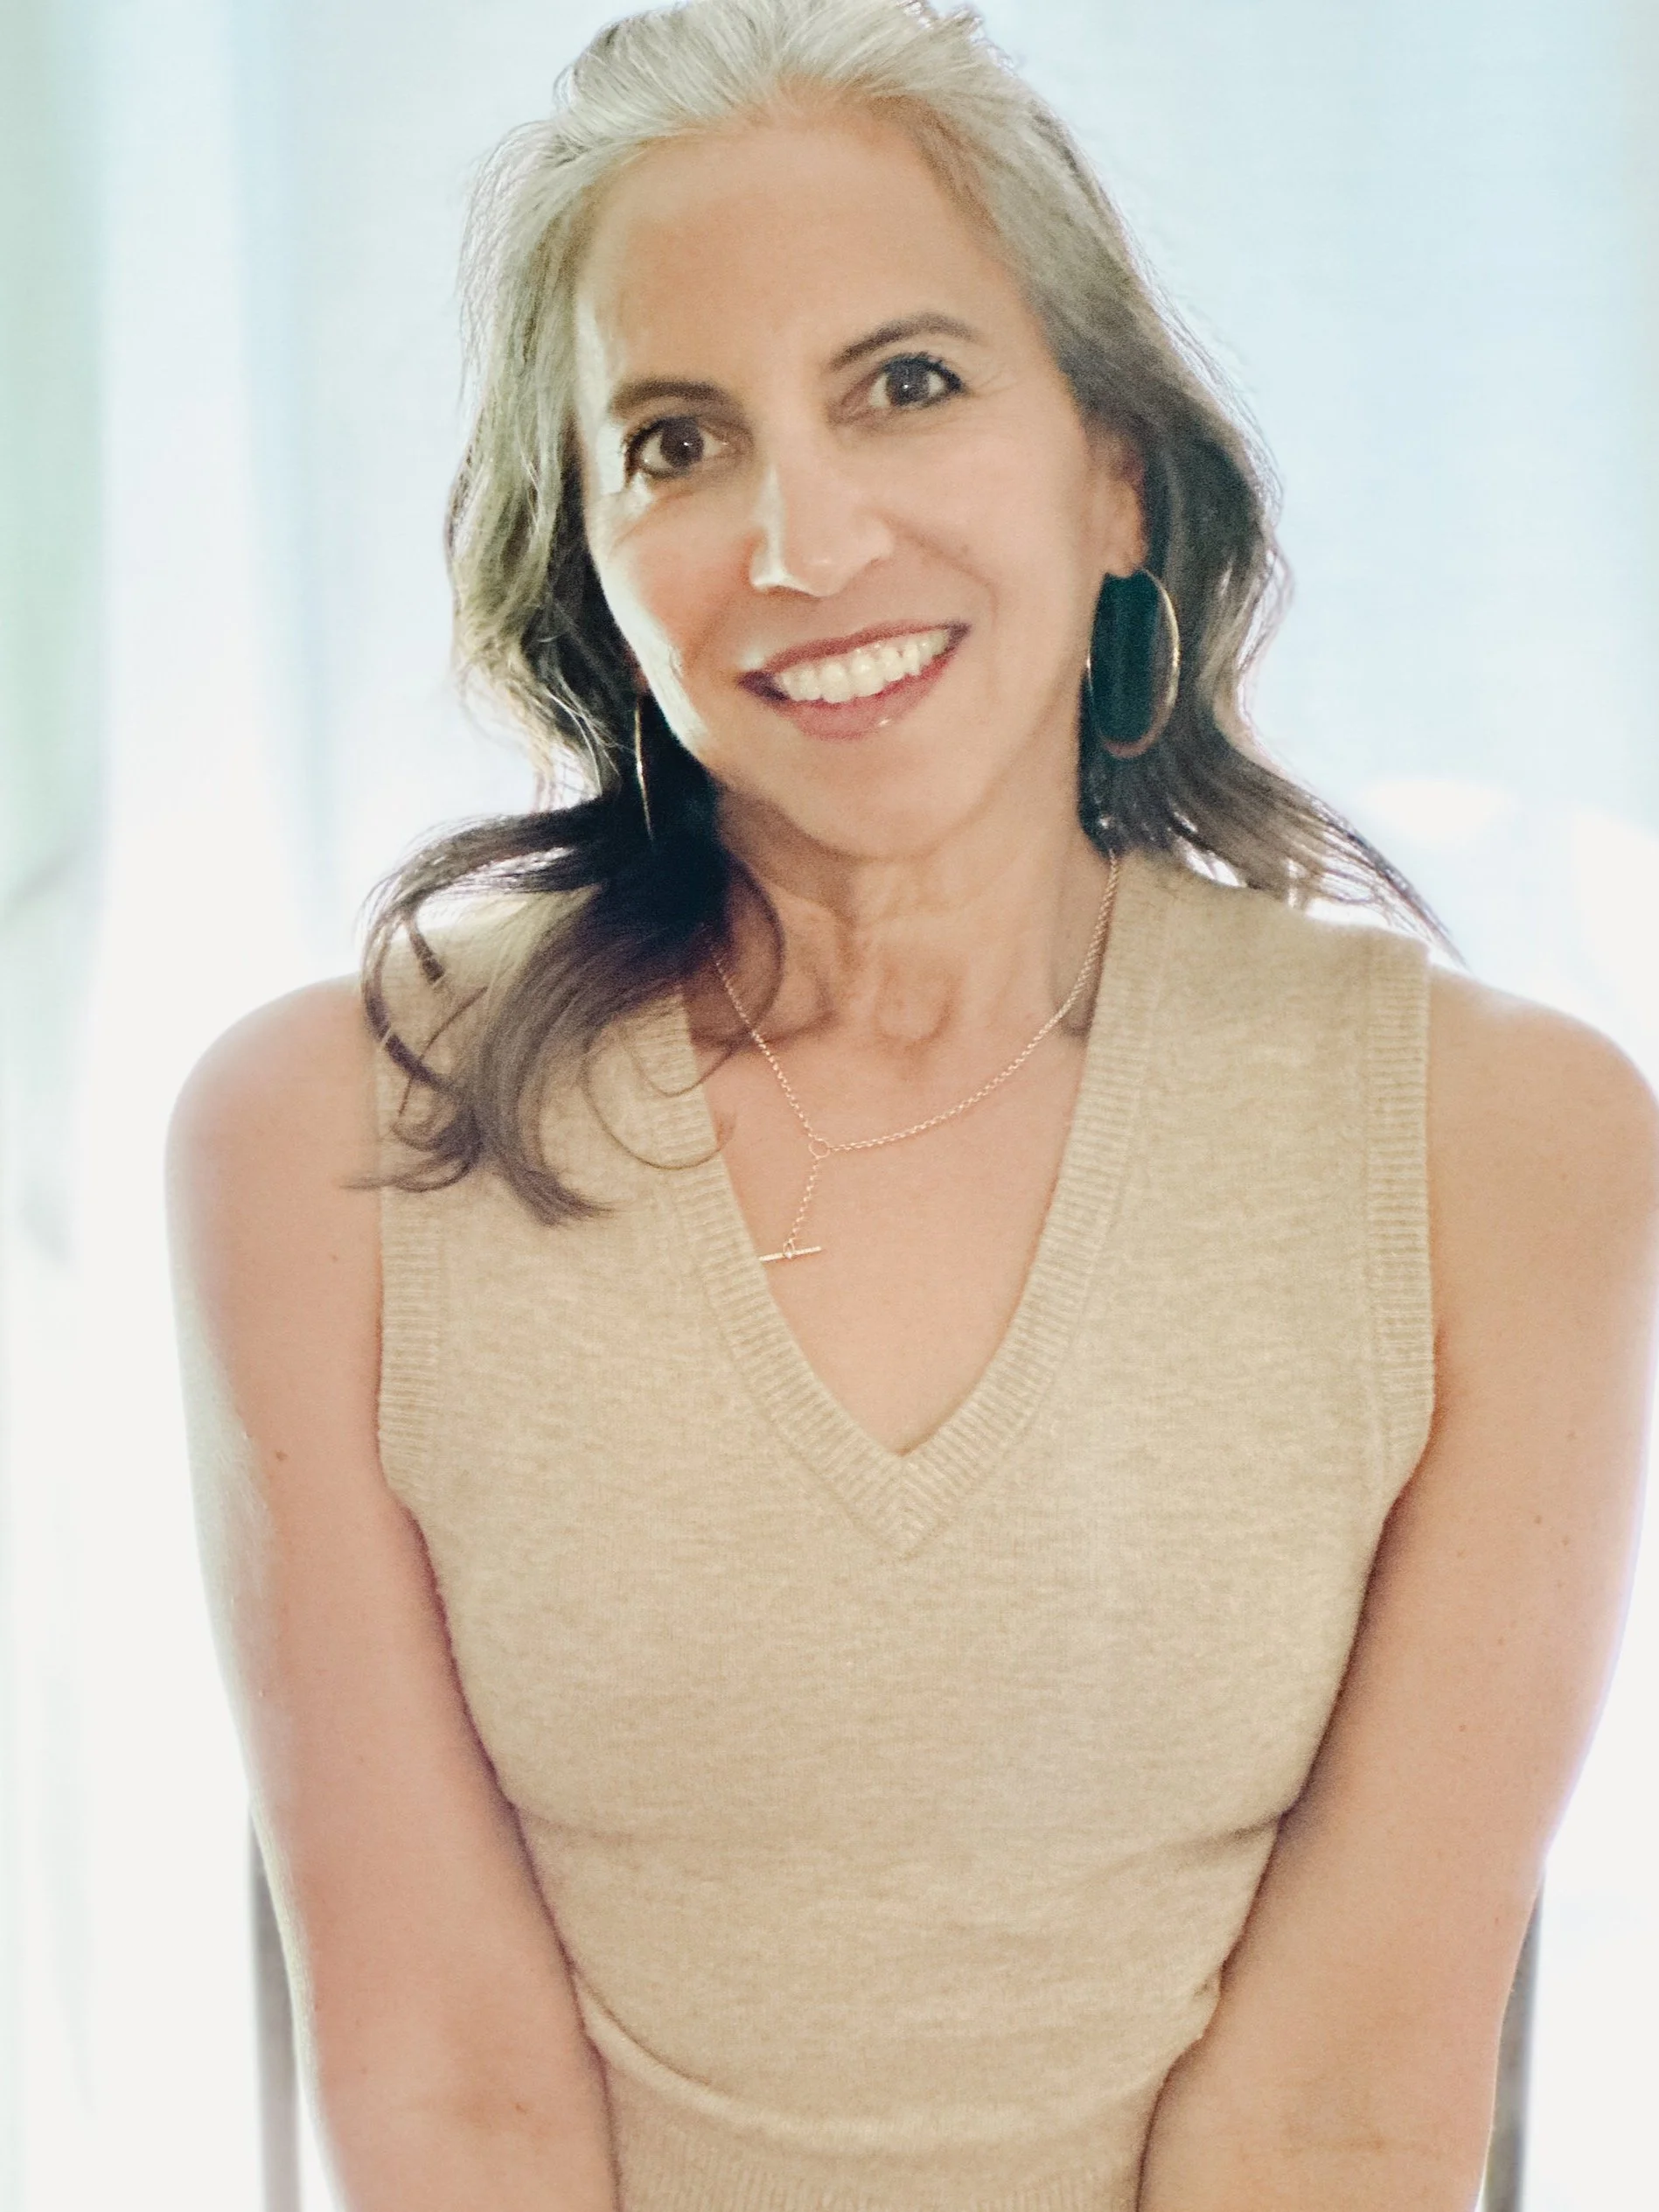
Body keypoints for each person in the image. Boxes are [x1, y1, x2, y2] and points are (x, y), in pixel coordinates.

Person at [164, 2, 1659, 2207]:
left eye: (909, 383)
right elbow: (456, 2096)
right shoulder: (324, 1139)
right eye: (678, 441)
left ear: (1113, 470)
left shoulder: (1508, 1147)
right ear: (589, 560)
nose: (804, 534)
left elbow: (1347, 2108)